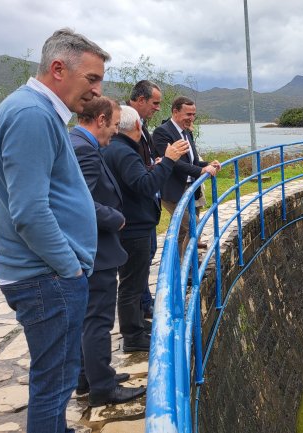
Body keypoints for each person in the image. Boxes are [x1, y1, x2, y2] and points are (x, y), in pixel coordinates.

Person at [0, 28, 108, 433]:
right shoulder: (32, 115)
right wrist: (69, 267)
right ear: (58, 68)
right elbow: (30, 212)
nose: (96, 91)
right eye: (92, 79)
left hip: (46, 275)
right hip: (47, 278)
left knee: (57, 378)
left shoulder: (32, 110)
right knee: (54, 383)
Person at [69, 97, 146, 406]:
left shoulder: (77, 141)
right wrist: (116, 218)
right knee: (98, 320)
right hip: (96, 249)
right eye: (114, 125)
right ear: (100, 120)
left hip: (92, 248)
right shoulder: (85, 149)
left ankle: (89, 376)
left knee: (91, 318)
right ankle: (102, 386)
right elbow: (81, 201)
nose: (115, 132)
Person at [102, 105, 189, 352]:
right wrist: (169, 161)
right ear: (138, 126)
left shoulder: (116, 148)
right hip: (134, 227)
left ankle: (138, 326)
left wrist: (154, 167)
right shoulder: (126, 152)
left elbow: (134, 180)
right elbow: (145, 186)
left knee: (134, 281)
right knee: (132, 284)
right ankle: (133, 335)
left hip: (130, 223)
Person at [152, 96, 221, 256]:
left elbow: (193, 161)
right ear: (175, 111)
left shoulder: (187, 132)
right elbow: (173, 163)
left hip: (191, 188)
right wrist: (201, 171)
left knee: (183, 232)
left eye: (193, 114)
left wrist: (209, 164)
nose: (191, 118)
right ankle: (185, 269)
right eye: (188, 114)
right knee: (193, 225)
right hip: (172, 190)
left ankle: (178, 267)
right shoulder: (162, 132)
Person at [127, 80, 162, 319]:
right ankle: (141, 307)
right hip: (134, 210)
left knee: (148, 252)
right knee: (138, 261)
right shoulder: (126, 125)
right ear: (140, 100)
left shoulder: (142, 125)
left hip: (146, 207)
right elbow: (132, 170)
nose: (158, 108)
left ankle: (144, 301)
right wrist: (157, 166)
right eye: (155, 103)